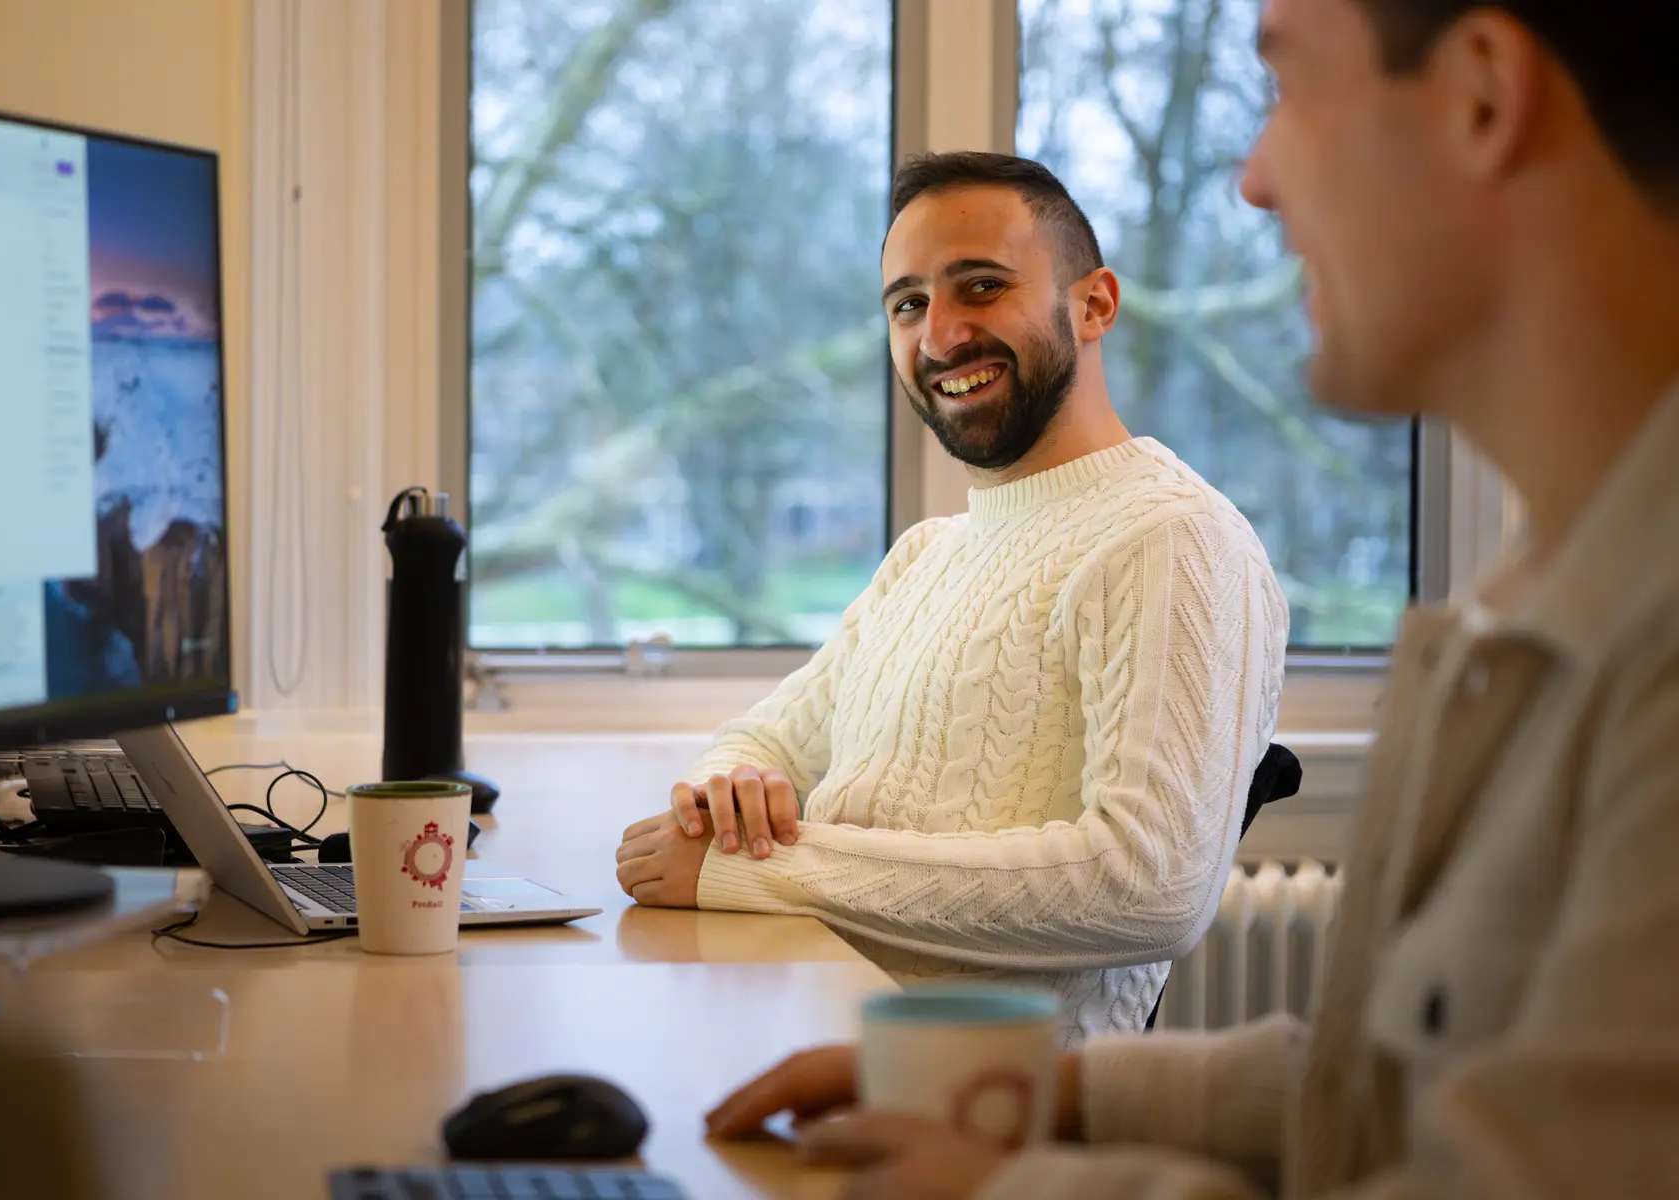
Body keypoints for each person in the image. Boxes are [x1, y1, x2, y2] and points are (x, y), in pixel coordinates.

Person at [703, 0, 1679, 1196]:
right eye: (909, 302)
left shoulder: (1639, 633)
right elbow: (1381, 1090)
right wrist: (1033, 1103)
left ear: (1480, 97)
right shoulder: (1531, 596)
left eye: (1290, 87)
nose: (1257, 181)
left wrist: (1001, 1179)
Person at [615, 151, 1289, 1043]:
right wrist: (723, 797)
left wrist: (756, 870)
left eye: (980, 287)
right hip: (813, 1041)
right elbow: (764, 738)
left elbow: (1149, 882)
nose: (939, 337)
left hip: (988, 1121)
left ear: (1095, 305)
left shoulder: (1173, 538)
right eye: (908, 304)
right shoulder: (928, 554)